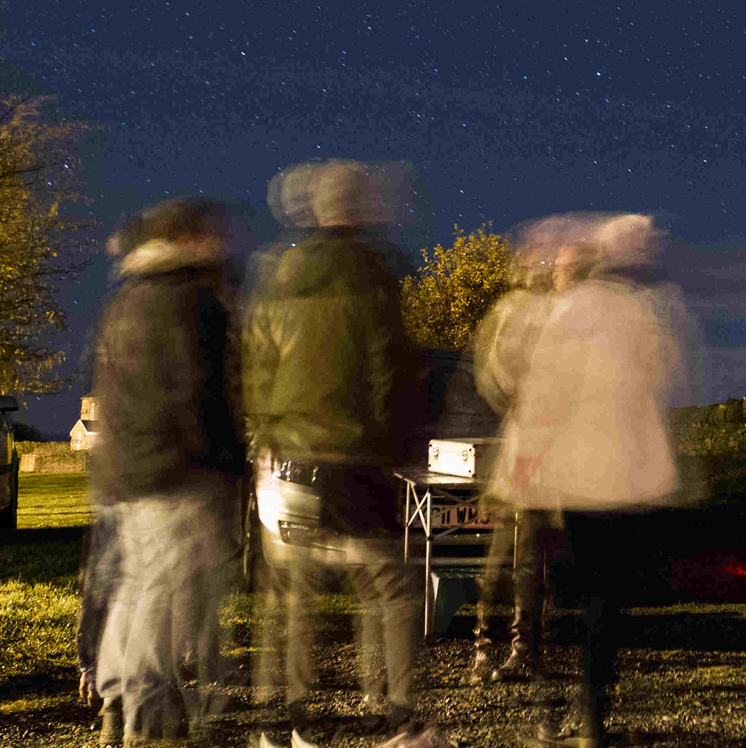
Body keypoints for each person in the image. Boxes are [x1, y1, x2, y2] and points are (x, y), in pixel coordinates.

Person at [490, 212, 696, 747]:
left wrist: (524, 462)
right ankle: (593, 714)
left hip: (576, 476)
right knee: (605, 598)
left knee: (569, 587)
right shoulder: (644, 311)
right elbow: (666, 376)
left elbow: (542, 391)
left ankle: (562, 708)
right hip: (627, 477)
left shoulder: (568, 311)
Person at [244, 160, 430, 748]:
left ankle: (290, 724)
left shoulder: (278, 271)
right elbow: (386, 364)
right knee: (391, 586)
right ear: (361, 204)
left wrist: (266, 432)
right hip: (353, 452)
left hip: (288, 457)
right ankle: (398, 720)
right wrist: (400, 445)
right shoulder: (372, 268)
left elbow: (256, 363)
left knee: (292, 593)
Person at [90, 198, 247, 746]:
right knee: (160, 600)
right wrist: (227, 466)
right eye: (210, 233)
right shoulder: (190, 301)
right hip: (176, 472)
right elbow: (199, 394)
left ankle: (117, 703)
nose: (222, 242)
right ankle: (148, 721)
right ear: (188, 239)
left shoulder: (129, 298)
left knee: (137, 590)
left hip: (128, 473)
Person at [463, 219, 570, 685]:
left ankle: (521, 649)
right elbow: (493, 370)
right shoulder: (516, 311)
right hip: (519, 446)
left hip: (544, 450)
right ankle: (488, 648)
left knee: (527, 561)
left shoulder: (556, 315)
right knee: (498, 562)